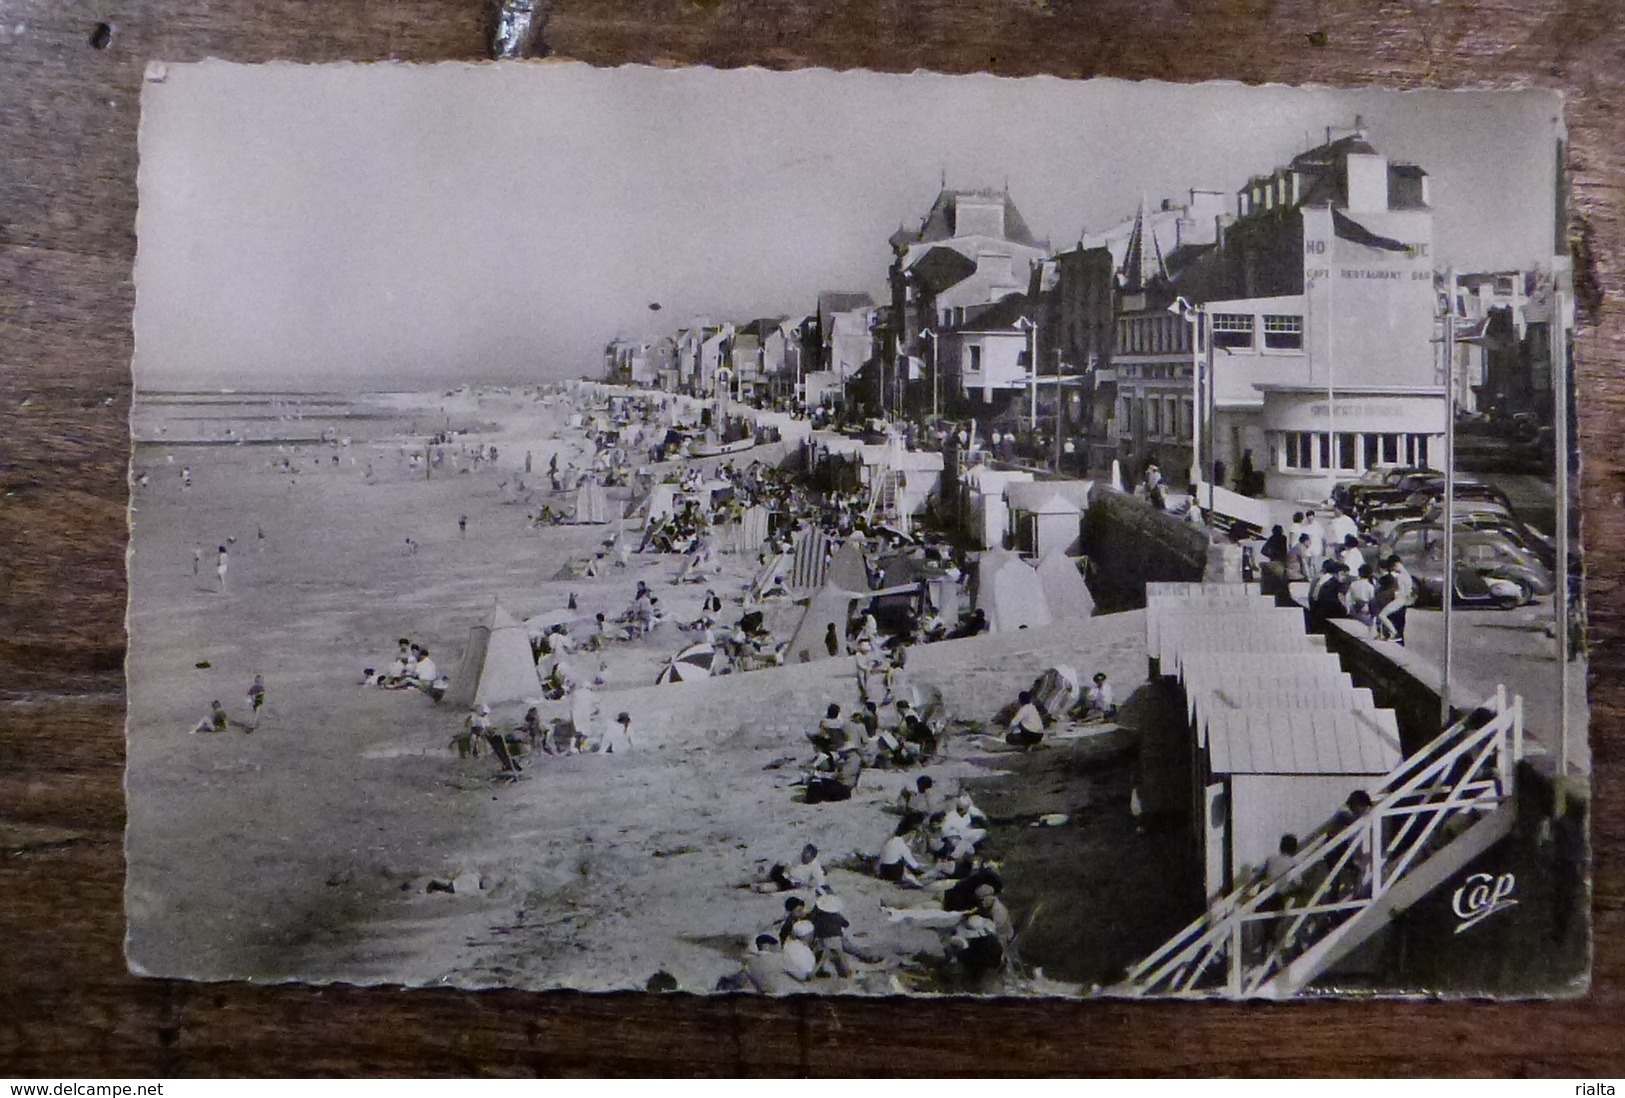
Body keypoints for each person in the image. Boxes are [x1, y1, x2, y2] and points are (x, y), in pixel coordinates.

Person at [810, 894, 852, 978]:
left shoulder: (817, 915)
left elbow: (812, 922)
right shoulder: (836, 916)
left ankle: (819, 971)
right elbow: (846, 924)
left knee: (821, 956)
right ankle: (845, 972)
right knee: (840, 955)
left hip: (822, 938)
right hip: (835, 938)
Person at [877, 816, 926, 885]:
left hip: (883, 871)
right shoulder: (902, 845)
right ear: (912, 832)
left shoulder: (891, 840)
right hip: (894, 875)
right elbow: (914, 865)